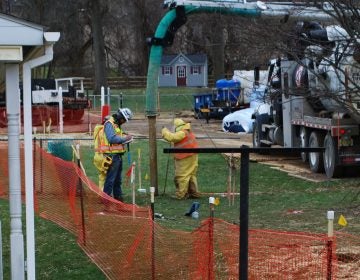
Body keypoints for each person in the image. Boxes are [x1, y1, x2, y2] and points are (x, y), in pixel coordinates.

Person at [95, 108, 133, 202]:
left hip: (117, 156)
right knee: (110, 180)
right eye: (123, 120)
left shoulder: (116, 124)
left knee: (117, 180)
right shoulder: (109, 124)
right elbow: (112, 139)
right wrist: (125, 139)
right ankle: (106, 200)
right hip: (111, 156)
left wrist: (124, 136)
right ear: (120, 116)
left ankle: (118, 199)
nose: (123, 122)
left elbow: (117, 136)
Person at [161, 118, 201, 199]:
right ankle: (194, 192)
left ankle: (181, 194)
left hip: (185, 157)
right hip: (192, 155)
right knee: (191, 175)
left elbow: (171, 137)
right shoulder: (187, 131)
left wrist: (164, 130)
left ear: (177, 126)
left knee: (182, 176)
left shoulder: (182, 133)